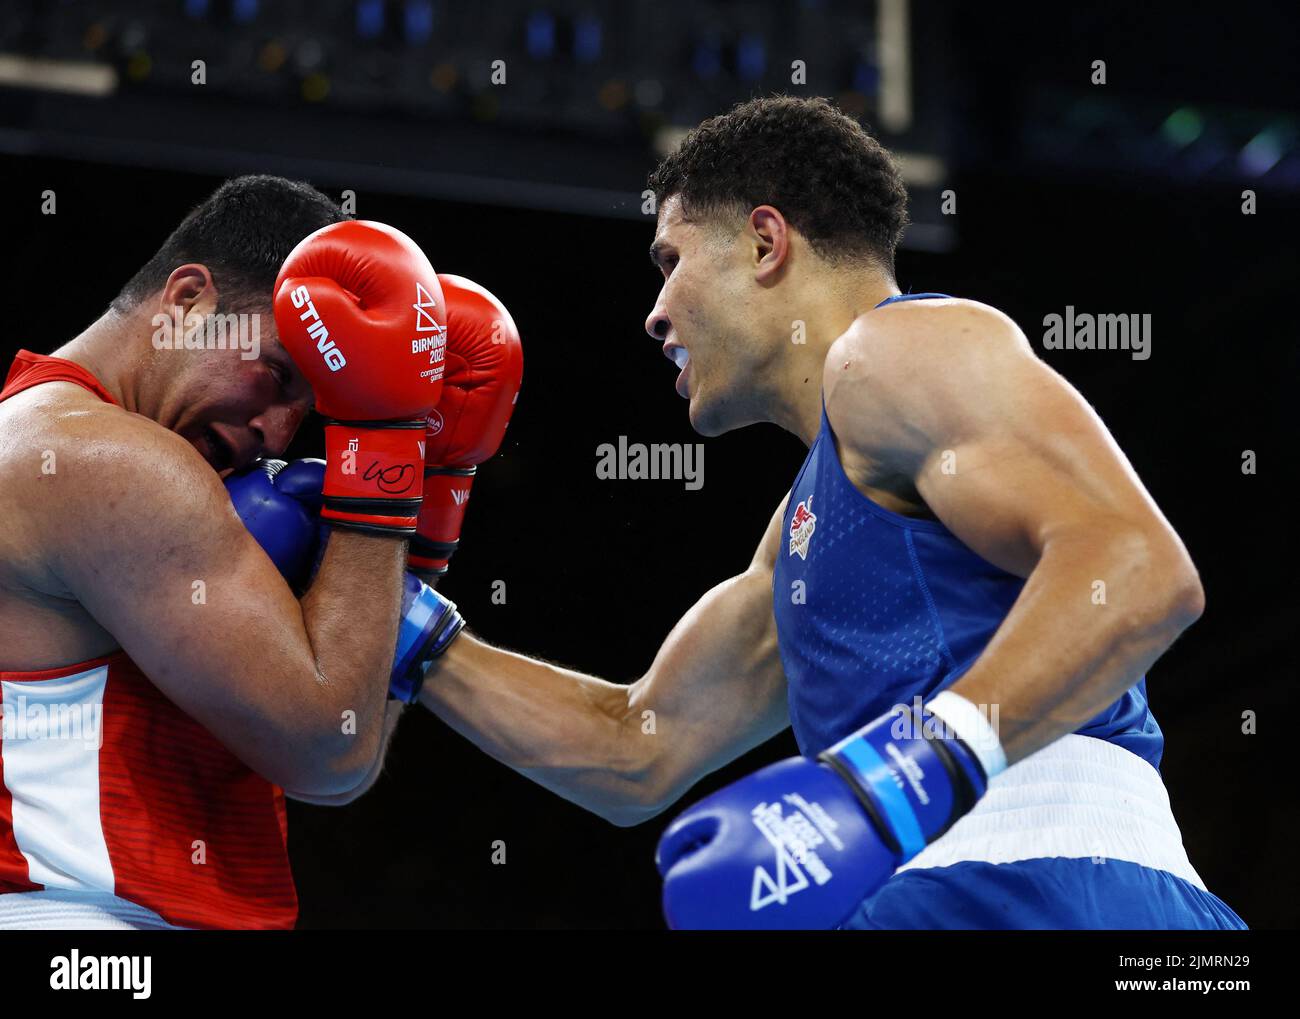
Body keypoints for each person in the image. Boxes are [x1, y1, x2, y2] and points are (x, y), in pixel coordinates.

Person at [410, 96, 1247, 929]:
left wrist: (904, 771)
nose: (655, 311)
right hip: (984, 893)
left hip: (1051, 887)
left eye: (672, 259)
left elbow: (1138, 567)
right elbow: (635, 746)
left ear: (766, 242)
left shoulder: (895, 350)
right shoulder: (803, 533)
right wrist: (406, 621)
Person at [0, 176, 476, 929]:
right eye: (278, 374)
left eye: (310, 412)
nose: (279, 434)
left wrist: (422, 535)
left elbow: (345, 752)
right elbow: (331, 750)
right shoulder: (103, 459)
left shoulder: (43, 433)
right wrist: (385, 454)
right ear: (187, 299)